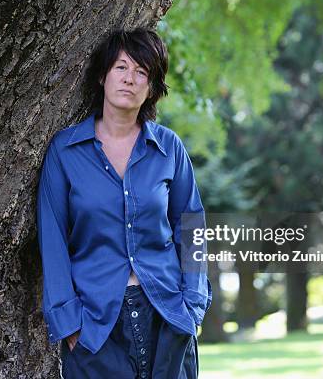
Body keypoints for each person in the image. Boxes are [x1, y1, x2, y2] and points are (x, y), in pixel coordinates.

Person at [37, 27, 212, 379]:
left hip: (166, 313)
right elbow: (52, 238)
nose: (130, 79)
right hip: (96, 325)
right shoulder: (65, 151)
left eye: (141, 72)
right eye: (121, 67)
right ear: (102, 76)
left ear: (152, 87)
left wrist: (192, 305)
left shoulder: (168, 148)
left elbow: (191, 227)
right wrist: (70, 325)